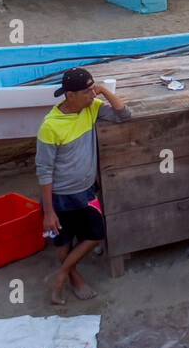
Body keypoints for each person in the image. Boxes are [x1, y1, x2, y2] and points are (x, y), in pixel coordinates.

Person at [36, 68, 130, 306]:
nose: (92, 95)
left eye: (92, 89)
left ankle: (61, 274)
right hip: (61, 195)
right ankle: (74, 277)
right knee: (63, 240)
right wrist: (48, 212)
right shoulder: (50, 126)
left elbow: (124, 114)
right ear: (70, 95)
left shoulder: (91, 109)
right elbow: (44, 171)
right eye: (87, 91)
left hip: (86, 191)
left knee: (95, 235)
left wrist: (104, 90)